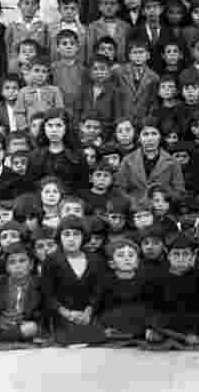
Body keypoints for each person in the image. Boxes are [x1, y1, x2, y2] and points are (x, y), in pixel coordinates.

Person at [41, 215, 107, 345]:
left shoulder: (95, 260)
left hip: (86, 314)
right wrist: (67, 314)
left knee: (97, 336)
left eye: (76, 234)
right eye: (66, 234)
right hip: (62, 313)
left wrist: (88, 312)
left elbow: (98, 291)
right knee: (68, 338)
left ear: (84, 237)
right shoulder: (51, 260)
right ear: (59, 237)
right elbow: (47, 294)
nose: (71, 239)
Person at [115, 118, 184, 202]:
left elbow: (179, 190)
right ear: (139, 138)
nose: (150, 138)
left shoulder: (172, 162)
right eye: (145, 134)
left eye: (154, 134)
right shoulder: (128, 160)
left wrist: (164, 201)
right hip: (136, 209)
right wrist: (133, 202)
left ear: (160, 137)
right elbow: (120, 188)